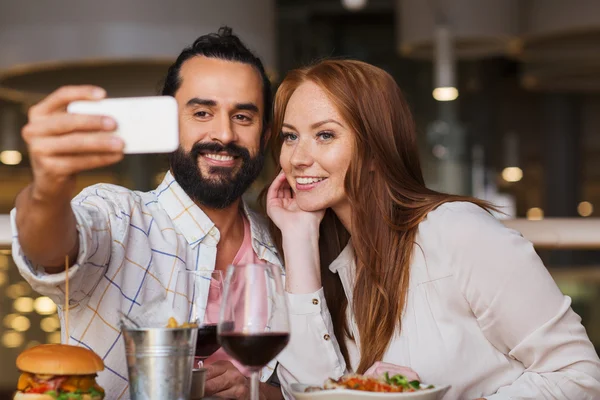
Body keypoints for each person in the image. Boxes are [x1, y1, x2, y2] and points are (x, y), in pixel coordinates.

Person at [265, 59, 600, 399]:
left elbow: (579, 375)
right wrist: (298, 239)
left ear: (375, 151)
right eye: (290, 136)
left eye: (325, 135)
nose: (296, 158)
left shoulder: (456, 231)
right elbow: (311, 393)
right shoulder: (339, 261)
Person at [12, 27, 284, 400]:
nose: (224, 134)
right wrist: (47, 188)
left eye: (243, 117)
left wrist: (259, 393)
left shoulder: (284, 245)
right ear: (169, 121)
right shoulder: (119, 217)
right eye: (202, 112)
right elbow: (46, 249)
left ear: (265, 135)